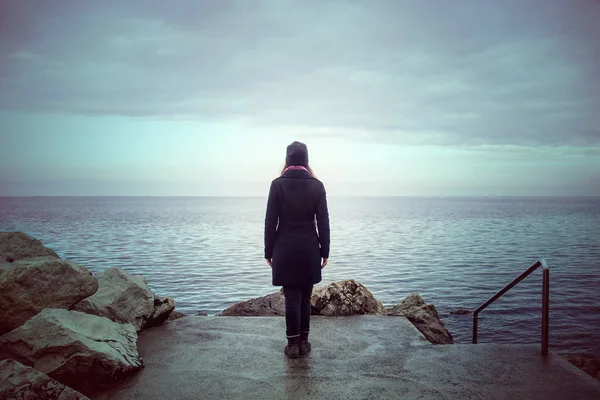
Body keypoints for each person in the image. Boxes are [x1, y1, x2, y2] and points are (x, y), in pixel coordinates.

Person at [264, 141, 330, 359]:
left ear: (288, 159)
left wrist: (268, 251)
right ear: (306, 159)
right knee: (305, 295)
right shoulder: (317, 185)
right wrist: (325, 251)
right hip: (310, 249)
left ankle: (292, 345)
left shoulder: (277, 184)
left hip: (284, 249)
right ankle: (304, 342)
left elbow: (270, 221)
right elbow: (323, 223)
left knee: (292, 298)